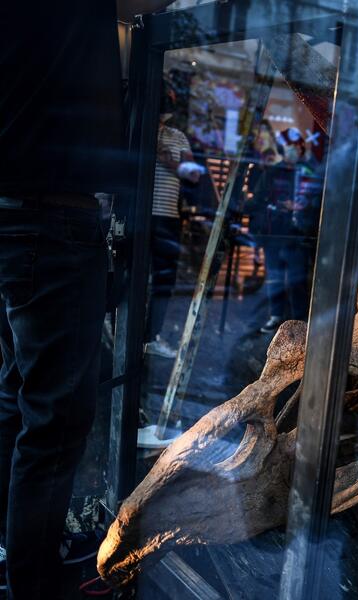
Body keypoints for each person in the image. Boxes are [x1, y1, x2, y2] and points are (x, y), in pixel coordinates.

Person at [0, 1, 175, 597]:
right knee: (53, 416)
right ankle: (32, 580)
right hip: (48, 214)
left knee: (18, 397)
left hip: (24, 210)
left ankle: (16, 552)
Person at [249, 128, 322, 333]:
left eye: (295, 146)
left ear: (301, 147)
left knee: (297, 279)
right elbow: (259, 198)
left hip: (299, 235)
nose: (292, 150)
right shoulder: (273, 171)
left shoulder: (310, 170)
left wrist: (305, 205)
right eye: (288, 146)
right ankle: (275, 316)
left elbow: (319, 197)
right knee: (274, 277)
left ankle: (298, 321)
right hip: (275, 233)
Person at [144, 89, 199, 359]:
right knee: (130, 275)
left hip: (166, 216)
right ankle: (119, 331)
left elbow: (194, 176)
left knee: (164, 278)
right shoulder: (137, 128)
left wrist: (168, 160)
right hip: (138, 215)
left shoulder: (177, 137)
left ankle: (150, 336)